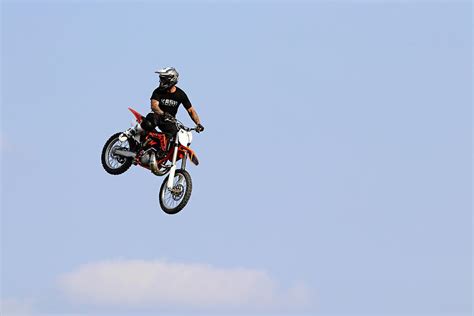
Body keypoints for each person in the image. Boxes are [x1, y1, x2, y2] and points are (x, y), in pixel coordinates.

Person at [126, 67, 204, 138]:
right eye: (161, 79)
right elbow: (154, 106)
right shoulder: (158, 91)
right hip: (156, 116)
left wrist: (198, 124)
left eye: (163, 79)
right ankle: (133, 133)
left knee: (175, 135)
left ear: (171, 79)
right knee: (148, 124)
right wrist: (163, 114)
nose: (161, 81)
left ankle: (160, 152)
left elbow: (190, 110)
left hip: (169, 121)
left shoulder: (181, 94)